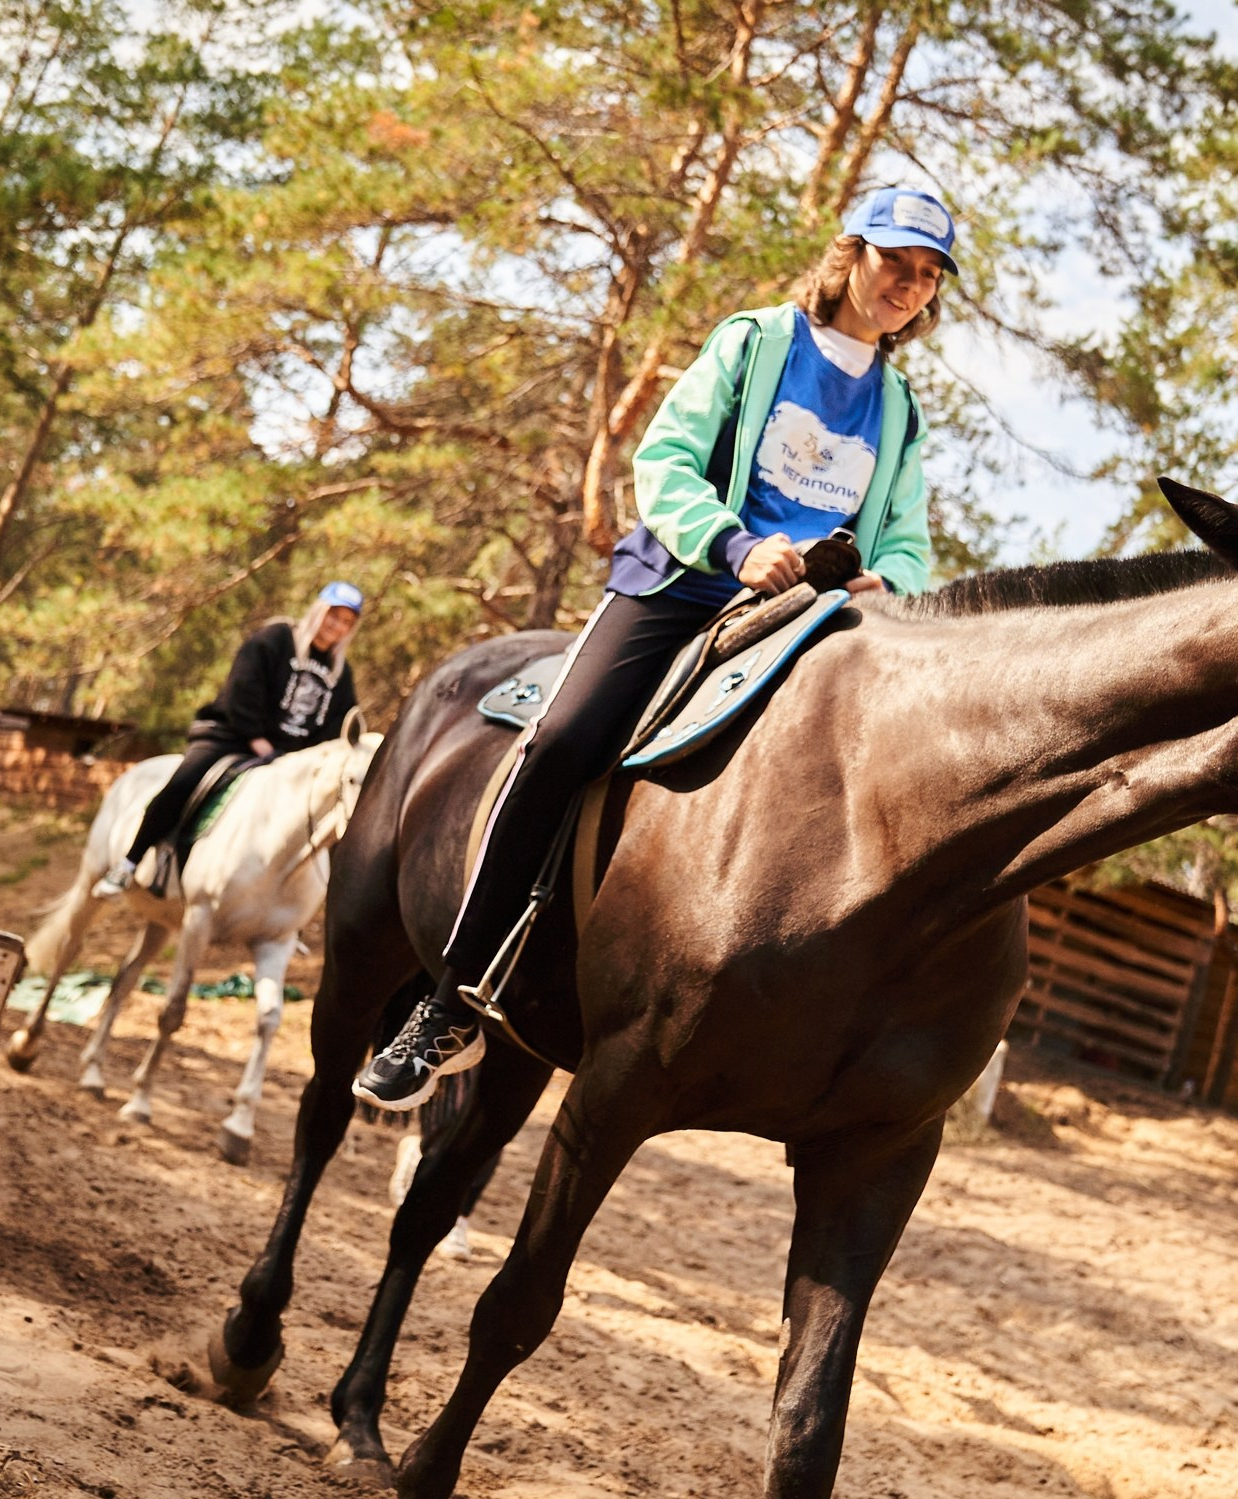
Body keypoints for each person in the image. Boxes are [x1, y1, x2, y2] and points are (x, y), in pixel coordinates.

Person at [353, 187, 955, 1111]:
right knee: (559, 743)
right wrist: (739, 544)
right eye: (894, 263)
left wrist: (889, 580)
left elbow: (906, 538)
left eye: (926, 277)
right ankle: (447, 1007)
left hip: (814, 618)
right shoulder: (755, 342)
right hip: (688, 584)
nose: (906, 287)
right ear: (851, 258)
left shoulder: (902, 409)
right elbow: (666, 459)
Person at [95, 581, 362, 899]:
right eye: (334, 615)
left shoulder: (340, 674)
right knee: (184, 782)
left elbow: (336, 726)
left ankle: (289, 905)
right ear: (319, 610)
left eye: (346, 622)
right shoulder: (276, 638)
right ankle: (128, 862)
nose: (337, 626)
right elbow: (242, 686)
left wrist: (307, 760)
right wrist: (256, 738)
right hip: (232, 737)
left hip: (289, 761)